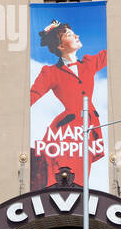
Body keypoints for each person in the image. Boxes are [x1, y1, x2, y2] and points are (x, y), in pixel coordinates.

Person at [30, 20, 108, 186]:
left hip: (88, 127)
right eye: (71, 35)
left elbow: (113, 52)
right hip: (65, 133)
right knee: (59, 179)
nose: (77, 35)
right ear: (60, 46)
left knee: (81, 179)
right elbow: (31, 96)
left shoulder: (89, 63)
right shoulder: (50, 72)